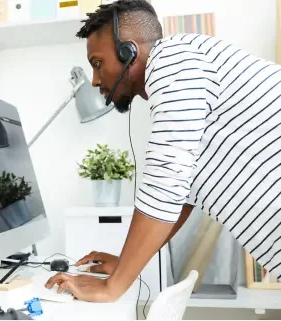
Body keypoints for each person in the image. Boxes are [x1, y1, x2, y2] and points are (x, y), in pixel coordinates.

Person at [45, 0, 281, 302]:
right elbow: (181, 195)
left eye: (97, 63)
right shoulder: (186, 81)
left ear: (127, 52)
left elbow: (166, 179)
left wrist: (112, 287)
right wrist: (124, 266)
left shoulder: (174, 58)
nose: (94, 80)